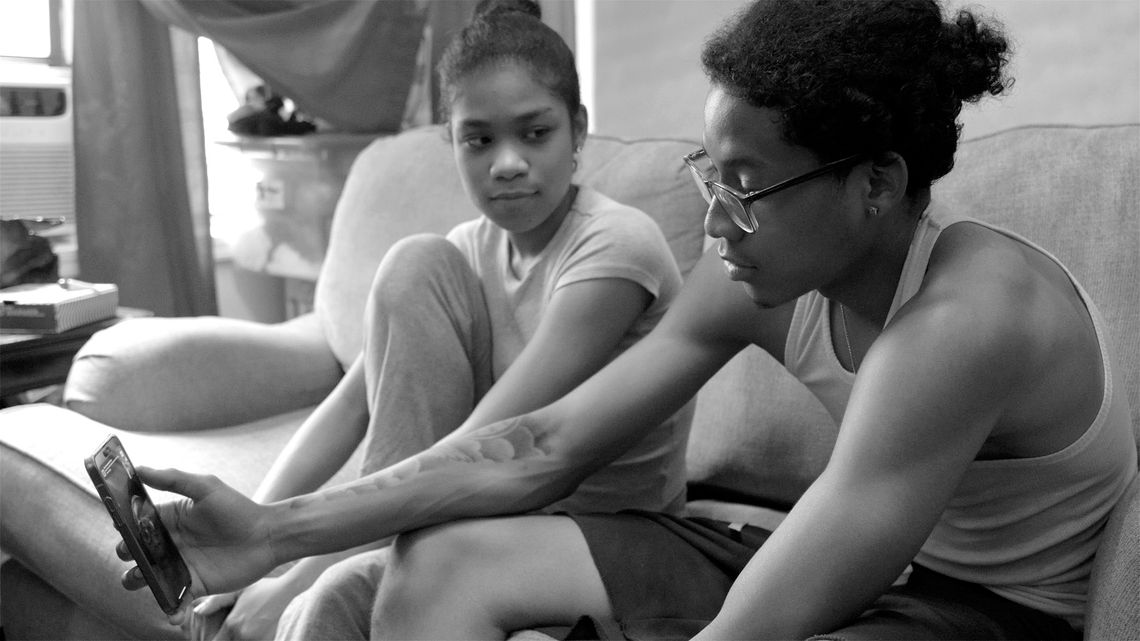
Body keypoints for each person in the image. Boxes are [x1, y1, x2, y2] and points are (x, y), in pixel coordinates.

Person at [120, 0, 1137, 639]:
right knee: (447, 558)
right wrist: (272, 530)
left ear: (876, 182)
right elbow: (544, 441)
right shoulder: (759, 270)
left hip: (979, 608)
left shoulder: (968, 315)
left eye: (749, 186)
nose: (714, 221)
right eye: (711, 173)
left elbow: (784, 599)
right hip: (841, 546)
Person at [184, 0, 690, 638]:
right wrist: (247, 539)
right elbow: (350, 407)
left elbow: (493, 440)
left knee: (326, 597)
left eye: (535, 133)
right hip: (480, 509)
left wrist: (295, 566)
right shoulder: (465, 251)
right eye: (480, 140)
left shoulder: (617, 246)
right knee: (416, 261)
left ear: (578, 130)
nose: (507, 162)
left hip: (595, 531)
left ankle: (372, 557)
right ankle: (373, 555)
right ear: (450, 140)